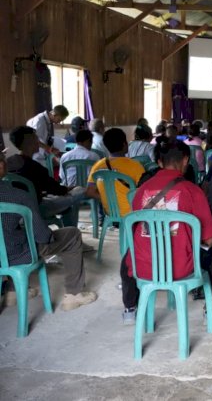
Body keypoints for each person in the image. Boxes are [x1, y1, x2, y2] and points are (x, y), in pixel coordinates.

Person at [119, 140, 212, 324]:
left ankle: (130, 310)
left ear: (159, 162)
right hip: (181, 267)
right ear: (186, 160)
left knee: (127, 259)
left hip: (144, 267)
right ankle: (209, 308)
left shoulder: (141, 192)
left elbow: (134, 230)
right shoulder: (193, 191)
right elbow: (209, 239)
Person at [0, 151, 98, 310]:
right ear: (2, 166)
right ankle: (74, 294)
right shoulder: (18, 195)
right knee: (72, 235)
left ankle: (13, 291)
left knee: (9, 236)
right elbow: (42, 236)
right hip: (17, 254)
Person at [7, 126, 86, 228]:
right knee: (80, 190)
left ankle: (70, 234)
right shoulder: (35, 168)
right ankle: (72, 237)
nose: (39, 142)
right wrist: (69, 188)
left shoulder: (7, 163)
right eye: (36, 139)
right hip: (35, 210)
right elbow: (58, 190)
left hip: (11, 210)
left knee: (67, 208)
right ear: (31, 142)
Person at [86, 128, 146, 220]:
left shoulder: (98, 166)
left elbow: (90, 192)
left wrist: (109, 199)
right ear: (124, 144)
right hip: (132, 213)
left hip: (110, 213)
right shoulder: (135, 166)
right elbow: (144, 191)